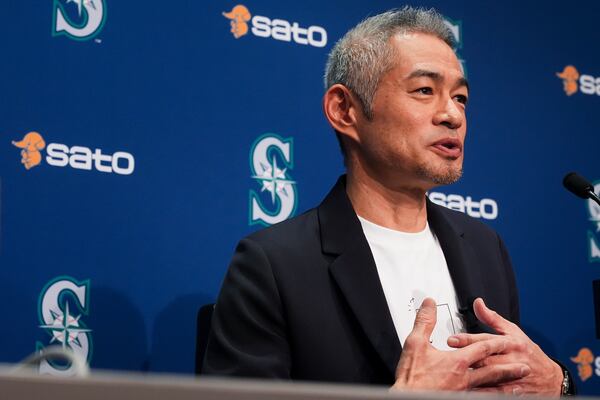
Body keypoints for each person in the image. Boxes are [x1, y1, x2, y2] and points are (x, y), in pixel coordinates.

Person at [203, 6, 574, 396]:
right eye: (425, 91)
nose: (452, 114)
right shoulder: (275, 265)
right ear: (344, 110)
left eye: (460, 97)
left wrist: (557, 383)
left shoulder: (485, 247)